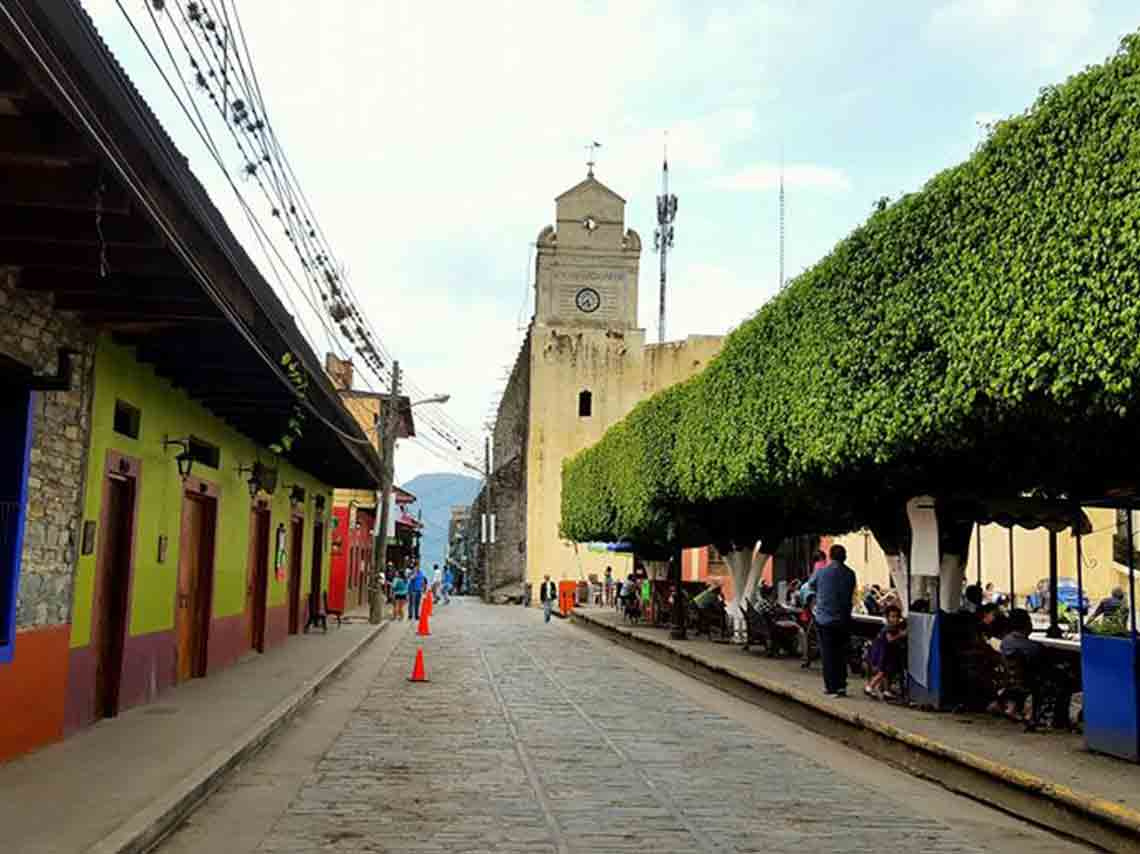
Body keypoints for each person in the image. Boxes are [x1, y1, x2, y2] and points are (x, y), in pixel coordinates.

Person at [811, 544, 857, 696]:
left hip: (824, 619)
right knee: (841, 652)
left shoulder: (821, 572)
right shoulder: (850, 574)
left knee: (828, 653)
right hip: (843, 619)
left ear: (830, 556)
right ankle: (841, 685)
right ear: (845, 557)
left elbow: (810, 585)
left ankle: (831, 686)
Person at [865, 603, 907, 700]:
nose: (895, 619)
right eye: (892, 617)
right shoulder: (888, 628)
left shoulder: (892, 627)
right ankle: (870, 687)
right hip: (884, 654)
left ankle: (886, 691)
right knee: (882, 672)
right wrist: (901, 635)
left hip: (887, 653)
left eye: (897, 617)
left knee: (887, 673)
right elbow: (890, 639)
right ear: (887, 618)